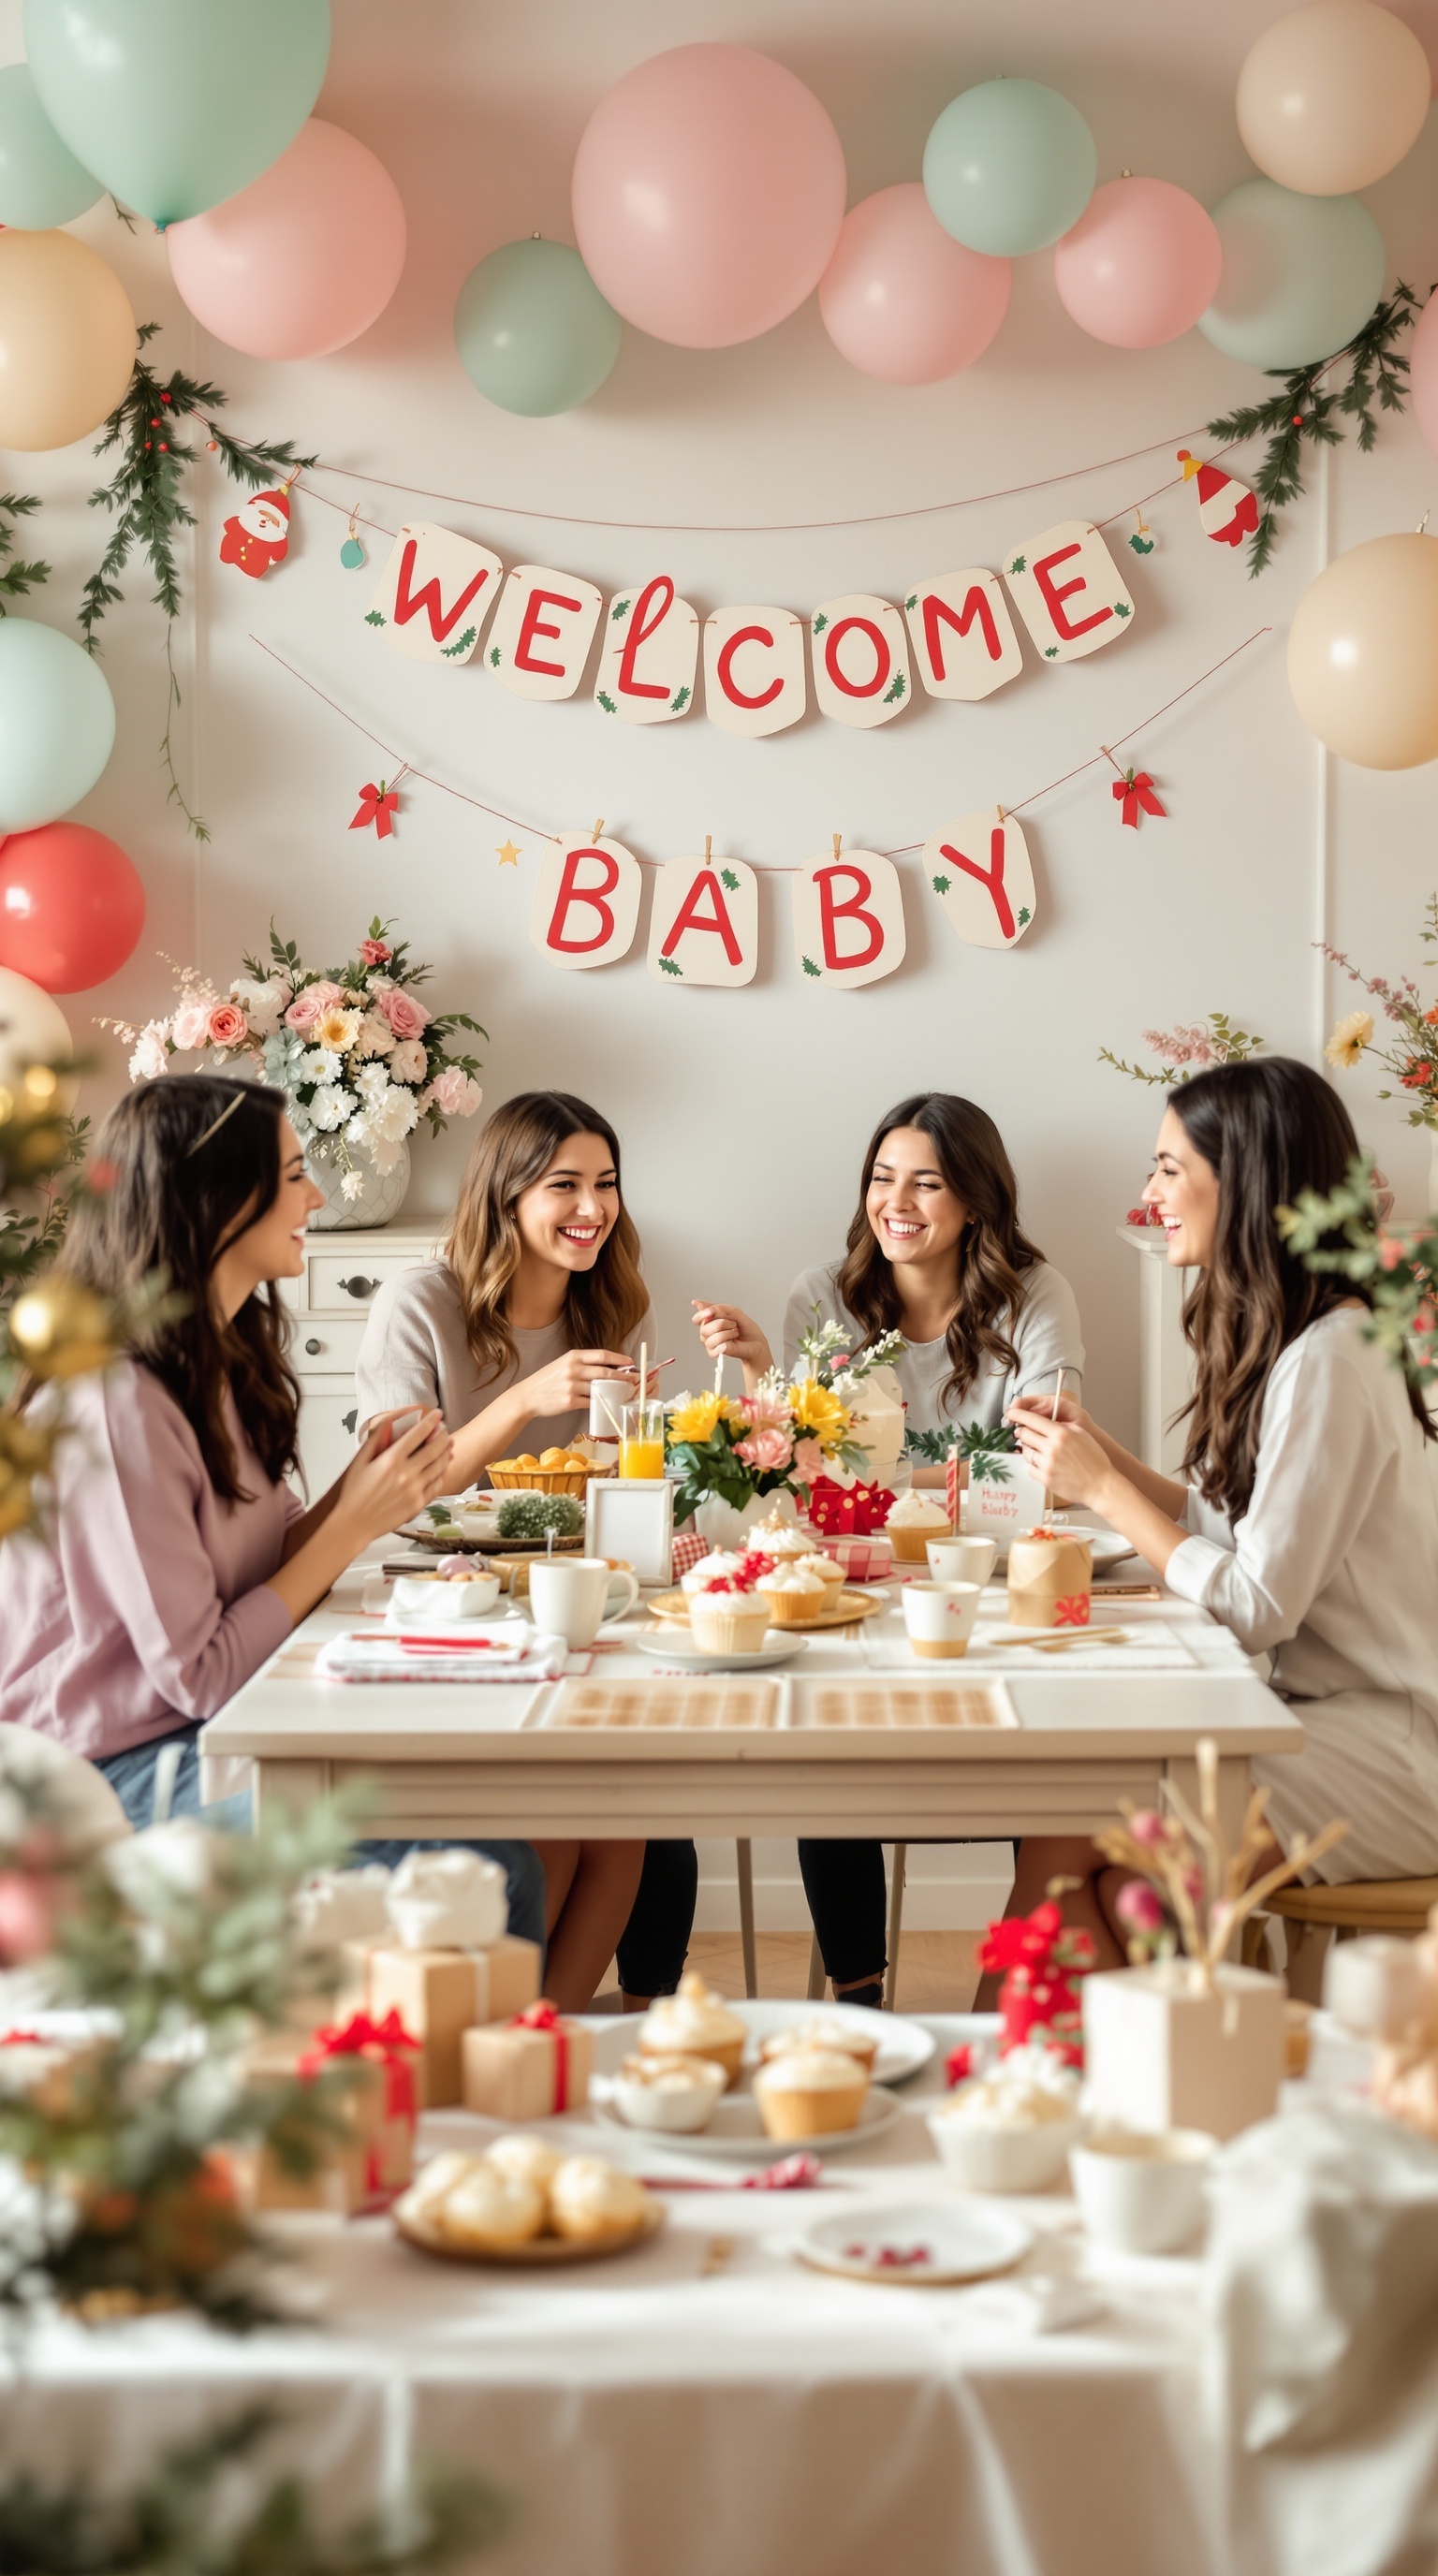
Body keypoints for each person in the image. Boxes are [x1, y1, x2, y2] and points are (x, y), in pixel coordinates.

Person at [0, 1076, 547, 1950]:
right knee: (488, 1870)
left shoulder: (218, 1361)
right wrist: (353, 1524)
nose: (318, 1196)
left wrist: (366, 1484)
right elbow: (203, 1672)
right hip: (106, 1780)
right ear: (219, 1199)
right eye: (295, 1175)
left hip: (214, 1729)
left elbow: (269, 1560)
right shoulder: (116, 1400)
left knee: (490, 1826)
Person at [1004, 1056, 1438, 1966]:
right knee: (1069, 1839)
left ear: (1239, 1181)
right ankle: (1054, 2086)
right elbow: (1234, 1529)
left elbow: (1256, 1602)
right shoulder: (1300, 1338)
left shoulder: (1334, 1354)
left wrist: (1106, 1490)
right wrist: (1104, 1453)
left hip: (1392, 1742)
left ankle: (1048, 2081)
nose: (1149, 1191)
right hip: (1310, 1714)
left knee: (1097, 1862)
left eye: (1168, 1167)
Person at [695, 1090, 1085, 2004]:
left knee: (1060, 1752)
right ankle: (859, 2005)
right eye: (881, 1178)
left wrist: (884, 1485)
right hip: (852, 1592)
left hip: (989, 1594)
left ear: (976, 1202)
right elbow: (799, 1475)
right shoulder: (820, 1297)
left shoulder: (1036, 1297)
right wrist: (764, 1376)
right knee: (826, 1752)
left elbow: (1052, 1467)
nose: (896, 1202)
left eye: (927, 1183)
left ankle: (1005, 2007)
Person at [354, 1087, 681, 2011]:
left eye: (607, 1184)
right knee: (555, 1825)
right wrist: (524, 1404)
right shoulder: (420, 1301)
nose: (593, 1208)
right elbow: (396, 1489)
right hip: (442, 1605)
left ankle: (548, 2033)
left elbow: (630, 1480)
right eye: (564, 1186)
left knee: (624, 1827)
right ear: (506, 1195)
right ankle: (504, 2026)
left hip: (586, 1599)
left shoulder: (614, 1306)